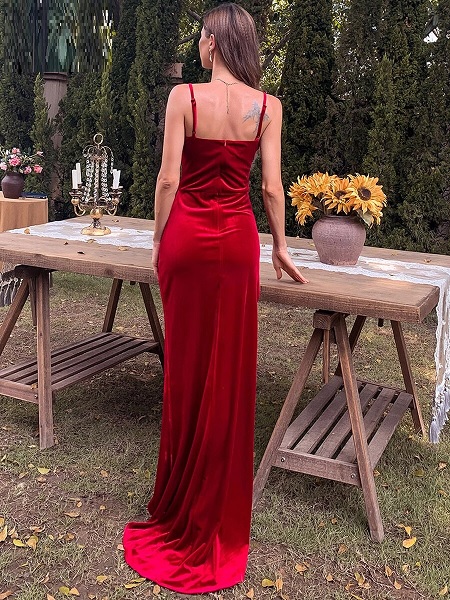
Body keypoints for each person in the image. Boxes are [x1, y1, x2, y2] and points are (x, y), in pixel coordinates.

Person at [123, 2, 308, 594]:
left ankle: (179, 501)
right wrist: (280, 247)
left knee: (185, 368)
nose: (200, 45)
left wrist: (158, 240)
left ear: (211, 42)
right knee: (228, 371)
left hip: (187, 241)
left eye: (202, 37)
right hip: (236, 246)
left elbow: (168, 179)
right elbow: (272, 187)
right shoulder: (267, 107)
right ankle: (217, 509)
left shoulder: (185, 98)